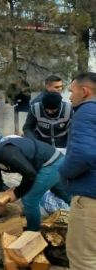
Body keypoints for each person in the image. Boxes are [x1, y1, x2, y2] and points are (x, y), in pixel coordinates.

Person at [0, 137, 71, 231]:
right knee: (64, 194)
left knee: (29, 199)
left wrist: (17, 193)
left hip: (51, 163)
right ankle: (85, 215)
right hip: (53, 161)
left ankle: (33, 232)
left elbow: (30, 174)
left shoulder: (4, 153)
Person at [59, 72, 96, 270]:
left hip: (90, 199)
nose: (69, 97)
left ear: (84, 91)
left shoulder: (86, 112)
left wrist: (64, 172)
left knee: (83, 260)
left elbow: (82, 154)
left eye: (71, 91)